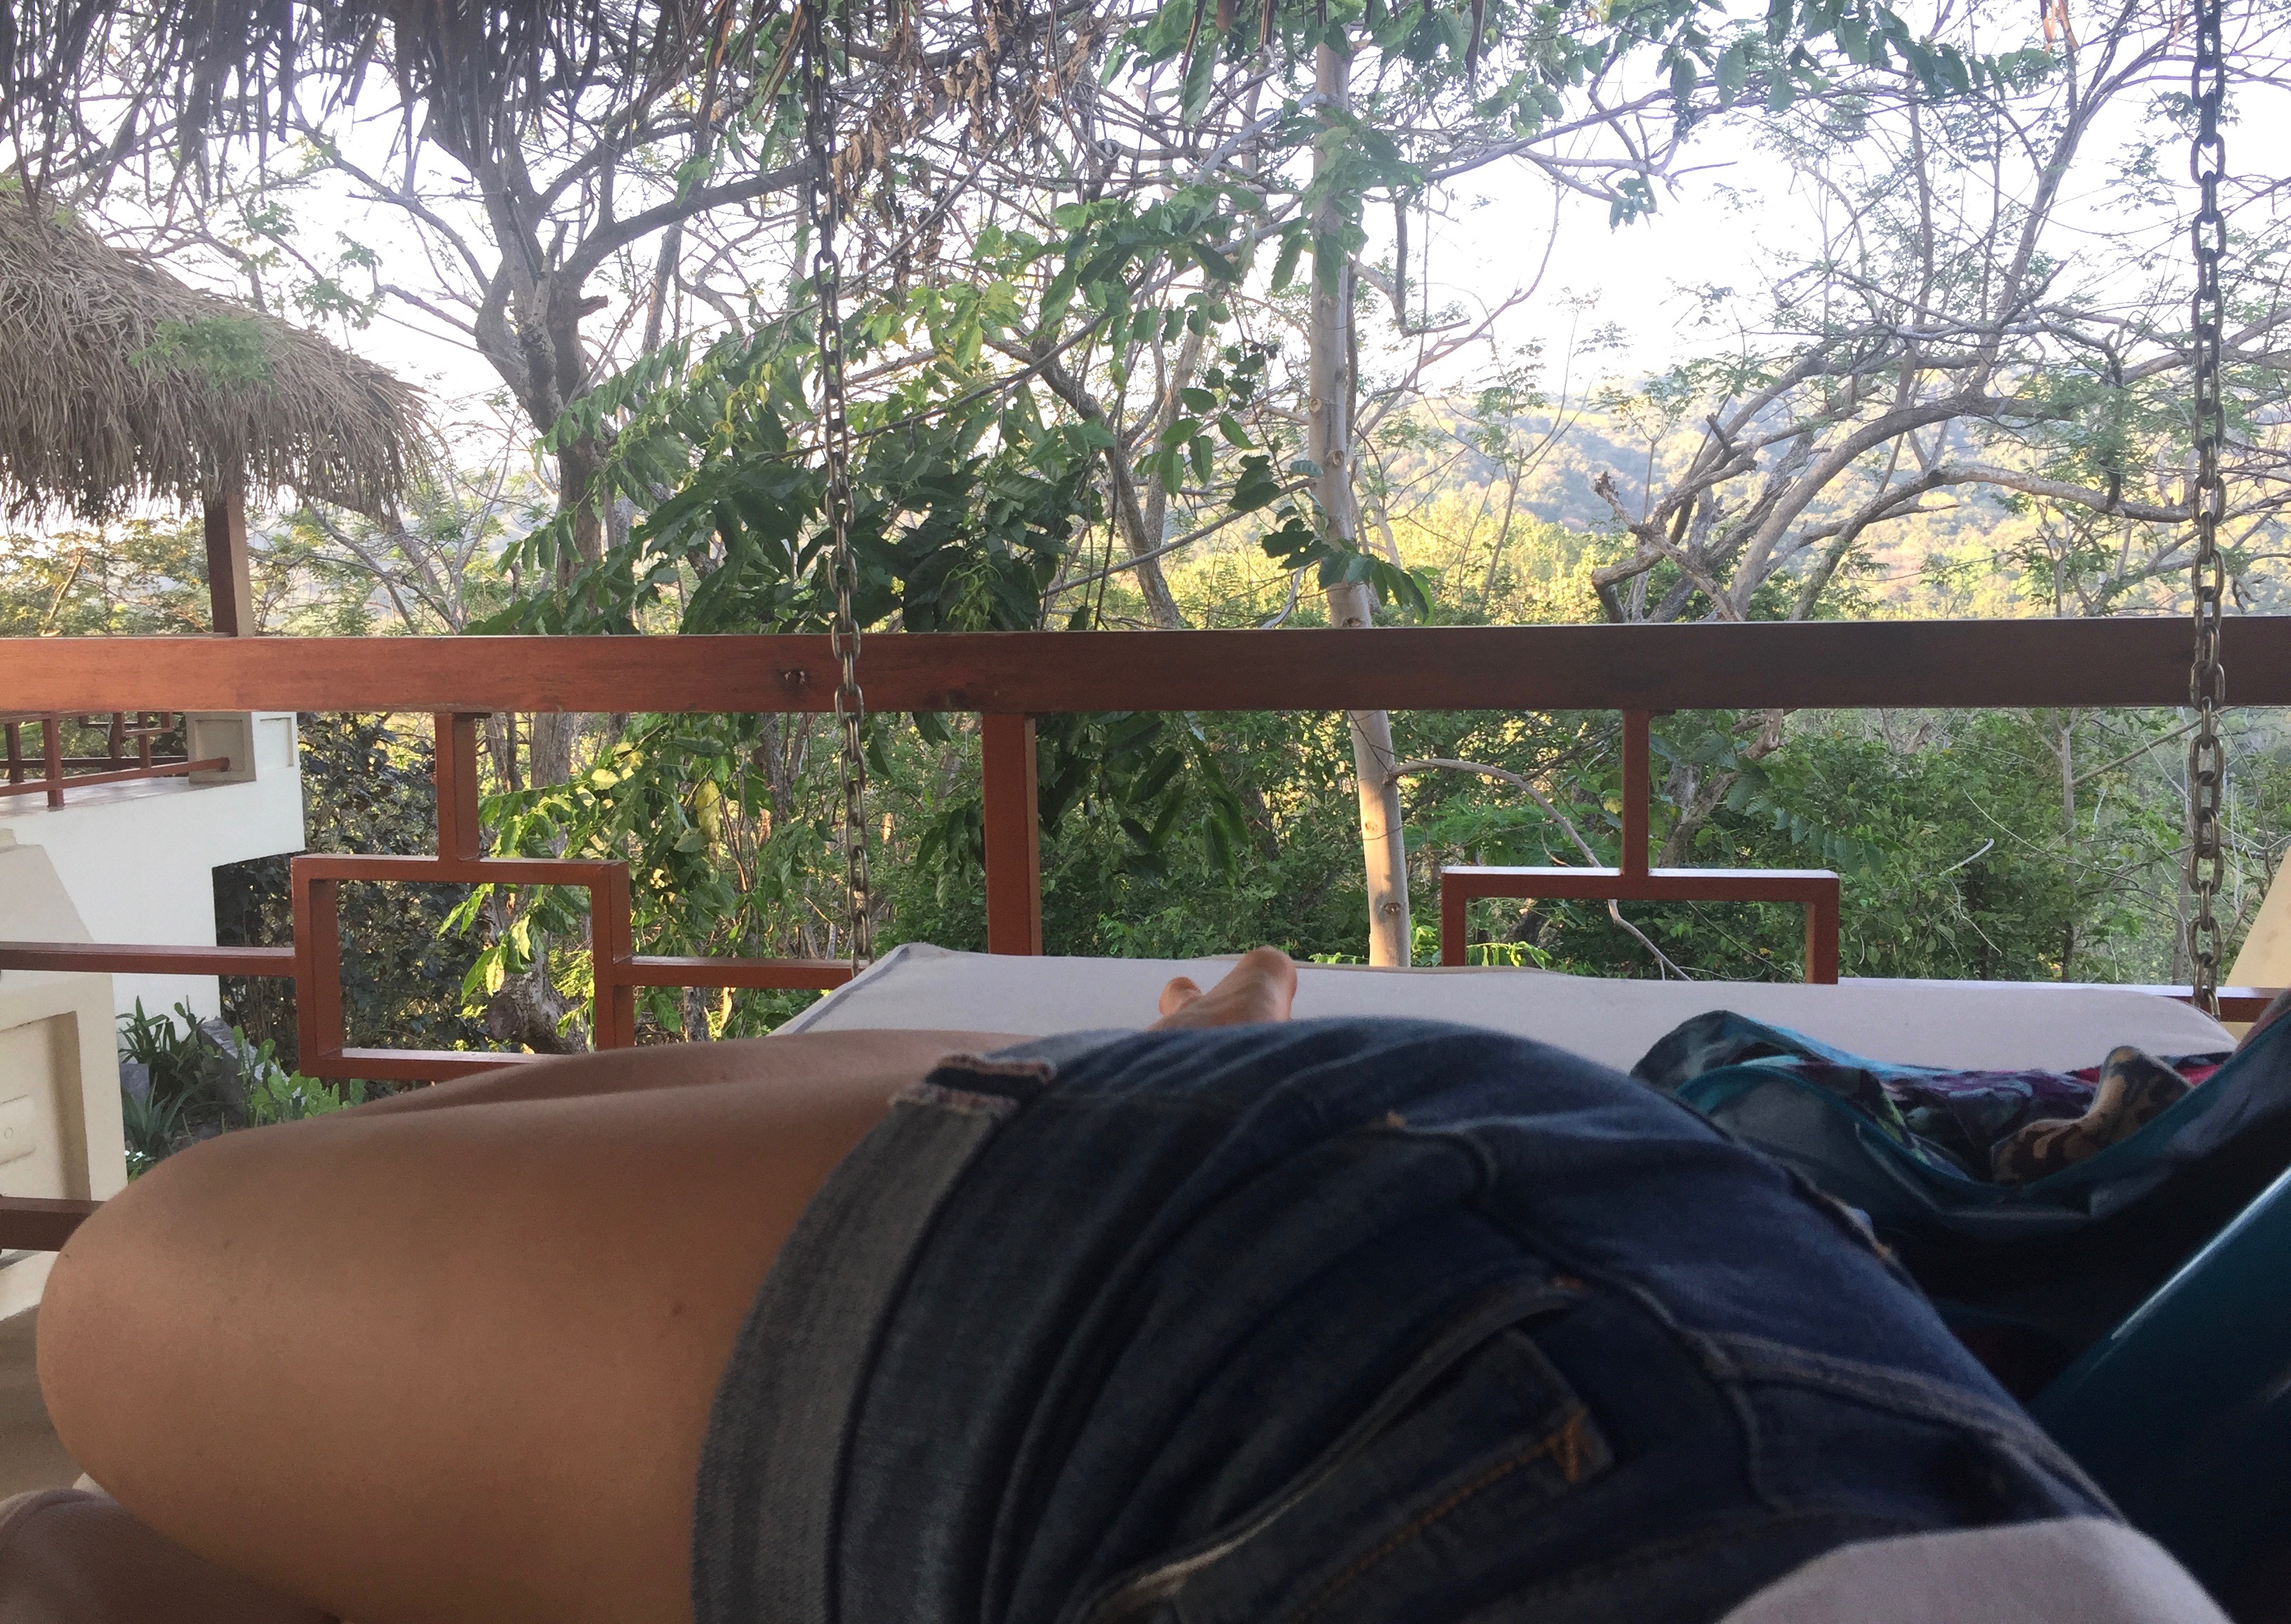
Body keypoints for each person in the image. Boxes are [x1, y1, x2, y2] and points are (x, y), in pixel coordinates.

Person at [22, 950, 2230, 1623]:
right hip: (1287, 1308)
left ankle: (1107, 1078)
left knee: (119, 1514)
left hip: (1638, 1274)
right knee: (144, 1284)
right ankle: (1096, 1089)